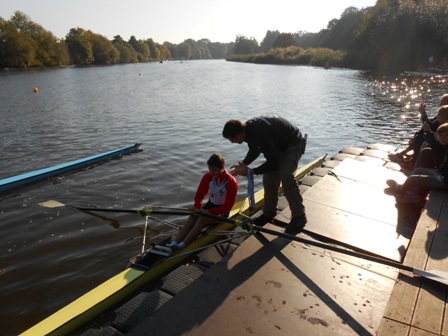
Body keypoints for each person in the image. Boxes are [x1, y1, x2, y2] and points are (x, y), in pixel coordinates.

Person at [222, 115, 307, 235]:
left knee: (286, 176)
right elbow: (254, 149)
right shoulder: (247, 130)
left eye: (232, 139)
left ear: (239, 135)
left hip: (293, 144)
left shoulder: (260, 133)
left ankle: (299, 217)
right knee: (268, 178)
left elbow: (273, 163)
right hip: (278, 146)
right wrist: (244, 164)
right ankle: (268, 214)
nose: (232, 142)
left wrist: (251, 171)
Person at [156, 153, 238, 253]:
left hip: (222, 213)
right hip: (210, 206)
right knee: (193, 216)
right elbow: (200, 194)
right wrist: (197, 206)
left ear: (222, 167)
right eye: (210, 170)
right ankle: (173, 243)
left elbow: (228, 207)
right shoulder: (208, 176)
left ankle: (182, 245)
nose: (212, 173)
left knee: (201, 219)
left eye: (215, 170)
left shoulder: (231, 182)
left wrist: (208, 211)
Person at [386, 123, 448, 204]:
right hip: (441, 174)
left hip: (444, 181)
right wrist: (428, 131)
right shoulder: (444, 146)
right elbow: (434, 144)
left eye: (446, 135)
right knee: (418, 170)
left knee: (412, 179)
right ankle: (411, 190)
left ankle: (401, 191)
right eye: (441, 135)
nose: (443, 138)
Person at [388, 93, 448, 169]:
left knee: (420, 139)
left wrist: (423, 114)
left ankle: (413, 162)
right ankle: (411, 158)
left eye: (442, 103)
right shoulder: (441, 114)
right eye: (440, 103)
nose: (440, 105)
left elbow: (431, 126)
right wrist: (423, 114)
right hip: (437, 141)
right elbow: (431, 124)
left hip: (441, 147)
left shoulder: (444, 117)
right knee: (419, 134)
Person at [414, 105, 448, 169]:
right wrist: (423, 113)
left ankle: (417, 167)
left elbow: (438, 146)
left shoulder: (445, 127)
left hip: (443, 159)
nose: (437, 115)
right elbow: (430, 125)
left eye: (439, 114)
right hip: (439, 150)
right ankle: (415, 163)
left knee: (425, 145)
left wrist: (429, 132)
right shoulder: (439, 122)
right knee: (419, 137)